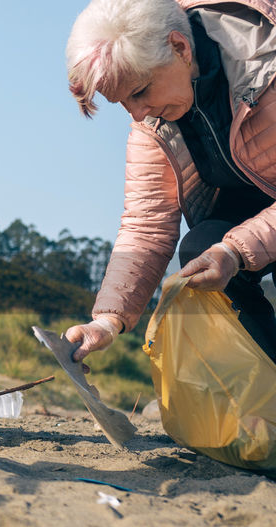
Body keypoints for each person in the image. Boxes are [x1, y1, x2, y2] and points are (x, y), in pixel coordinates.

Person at [64, 0, 276, 367]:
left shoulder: (266, 67)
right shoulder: (153, 121)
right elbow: (146, 225)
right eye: (123, 102)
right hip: (257, 215)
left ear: (180, 47)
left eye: (141, 91)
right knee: (201, 249)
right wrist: (108, 320)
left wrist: (235, 251)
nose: (137, 114)